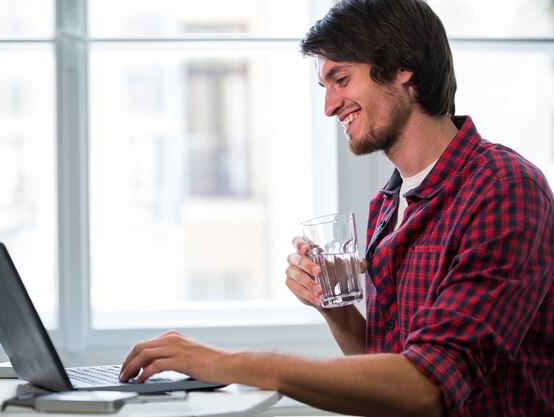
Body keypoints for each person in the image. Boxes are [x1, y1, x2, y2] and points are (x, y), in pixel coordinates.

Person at [120, 0, 554, 415]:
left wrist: (233, 363)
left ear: (404, 67)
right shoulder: (388, 203)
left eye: (341, 79)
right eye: (324, 86)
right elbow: (388, 362)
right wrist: (336, 310)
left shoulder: (504, 188)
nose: (329, 106)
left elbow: (428, 388)